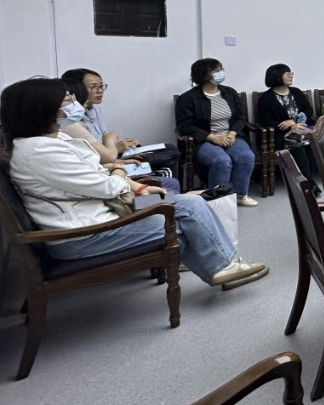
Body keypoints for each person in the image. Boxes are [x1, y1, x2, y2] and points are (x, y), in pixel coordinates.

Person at [3, 78, 266, 287]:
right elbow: (108, 185)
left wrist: (138, 186)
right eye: (67, 101)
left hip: (105, 212)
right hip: (85, 234)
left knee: (187, 201)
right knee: (186, 217)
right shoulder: (40, 151)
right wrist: (118, 170)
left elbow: (98, 173)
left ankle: (223, 268)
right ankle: (224, 267)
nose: (74, 105)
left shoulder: (54, 139)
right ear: (41, 110)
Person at [174, 58, 258, 207]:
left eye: (221, 69)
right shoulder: (188, 98)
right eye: (216, 70)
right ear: (204, 74)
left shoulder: (229, 92)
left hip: (230, 136)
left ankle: (240, 195)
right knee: (221, 160)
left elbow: (240, 117)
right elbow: (185, 126)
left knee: (246, 156)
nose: (221, 73)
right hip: (204, 140)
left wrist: (232, 133)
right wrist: (213, 137)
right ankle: (217, 200)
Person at [64, 67, 180, 174]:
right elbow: (102, 152)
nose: (100, 91)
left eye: (101, 86)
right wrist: (116, 147)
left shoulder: (95, 109)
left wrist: (124, 143)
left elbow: (104, 139)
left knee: (169, 149)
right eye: (93, 87)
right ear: (78, 89)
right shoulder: (71, 120)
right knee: (168, 157)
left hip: (111, 153)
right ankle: (148, 172)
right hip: (106, 159)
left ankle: (147, 170)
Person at [256, 63, 319, 194]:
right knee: (297, 145)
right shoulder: (266, 98)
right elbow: (265, 120)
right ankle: (309, 184)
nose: (291, 76)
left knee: (314, 143)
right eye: (287, 74)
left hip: (303, 130)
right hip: (280, 135)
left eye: (291, 73)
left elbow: (308, 110)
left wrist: (296, 121)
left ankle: (307, 180)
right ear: (277, 76)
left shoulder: (296, 92)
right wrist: (289, 124)